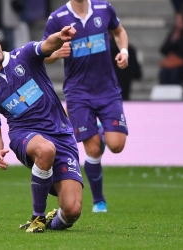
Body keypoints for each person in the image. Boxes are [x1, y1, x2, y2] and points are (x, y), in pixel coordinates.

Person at [0, 25, 83, 233]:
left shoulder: (25, 55)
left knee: (72, 210)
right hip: (24, 134)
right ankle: (37, 217)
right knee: (45, 150)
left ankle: (52, 221)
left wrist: (59, 36)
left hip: (61, 134)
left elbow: (48, 45)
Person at [43, 0, 129, 213]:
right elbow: (44, 54)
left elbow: (119, 32)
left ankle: (100, 132)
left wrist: (124, 51)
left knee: (117, 145)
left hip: (107, 89)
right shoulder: (57, 18)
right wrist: (56, 53)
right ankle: (99, 200)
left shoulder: (104, 8)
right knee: (91, 149)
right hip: (78, 93)